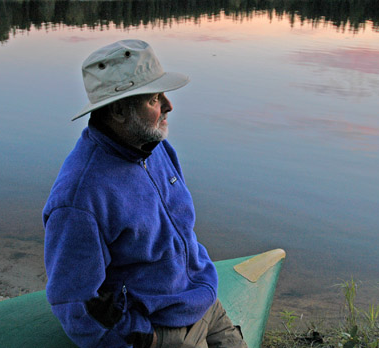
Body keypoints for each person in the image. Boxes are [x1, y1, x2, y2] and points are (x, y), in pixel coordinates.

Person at [43, 39, 247, 348]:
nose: (169, 105)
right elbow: (75, 304)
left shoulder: (155, 147)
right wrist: (143, 337)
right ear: (120, 110)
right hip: (161, 330)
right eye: (154, 98)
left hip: (205, 302)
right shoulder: (80, 198)